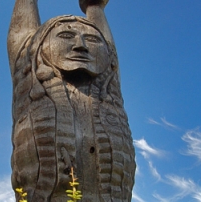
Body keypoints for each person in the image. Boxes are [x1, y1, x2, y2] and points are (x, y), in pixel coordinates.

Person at [8, 1, 135, 201]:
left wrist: (94, 7)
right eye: (66, 36)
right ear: (39, 46)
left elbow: (110, 51)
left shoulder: (109, 93)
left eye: (92, 39)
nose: (80, 46)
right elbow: (22, 35)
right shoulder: (30, 79)